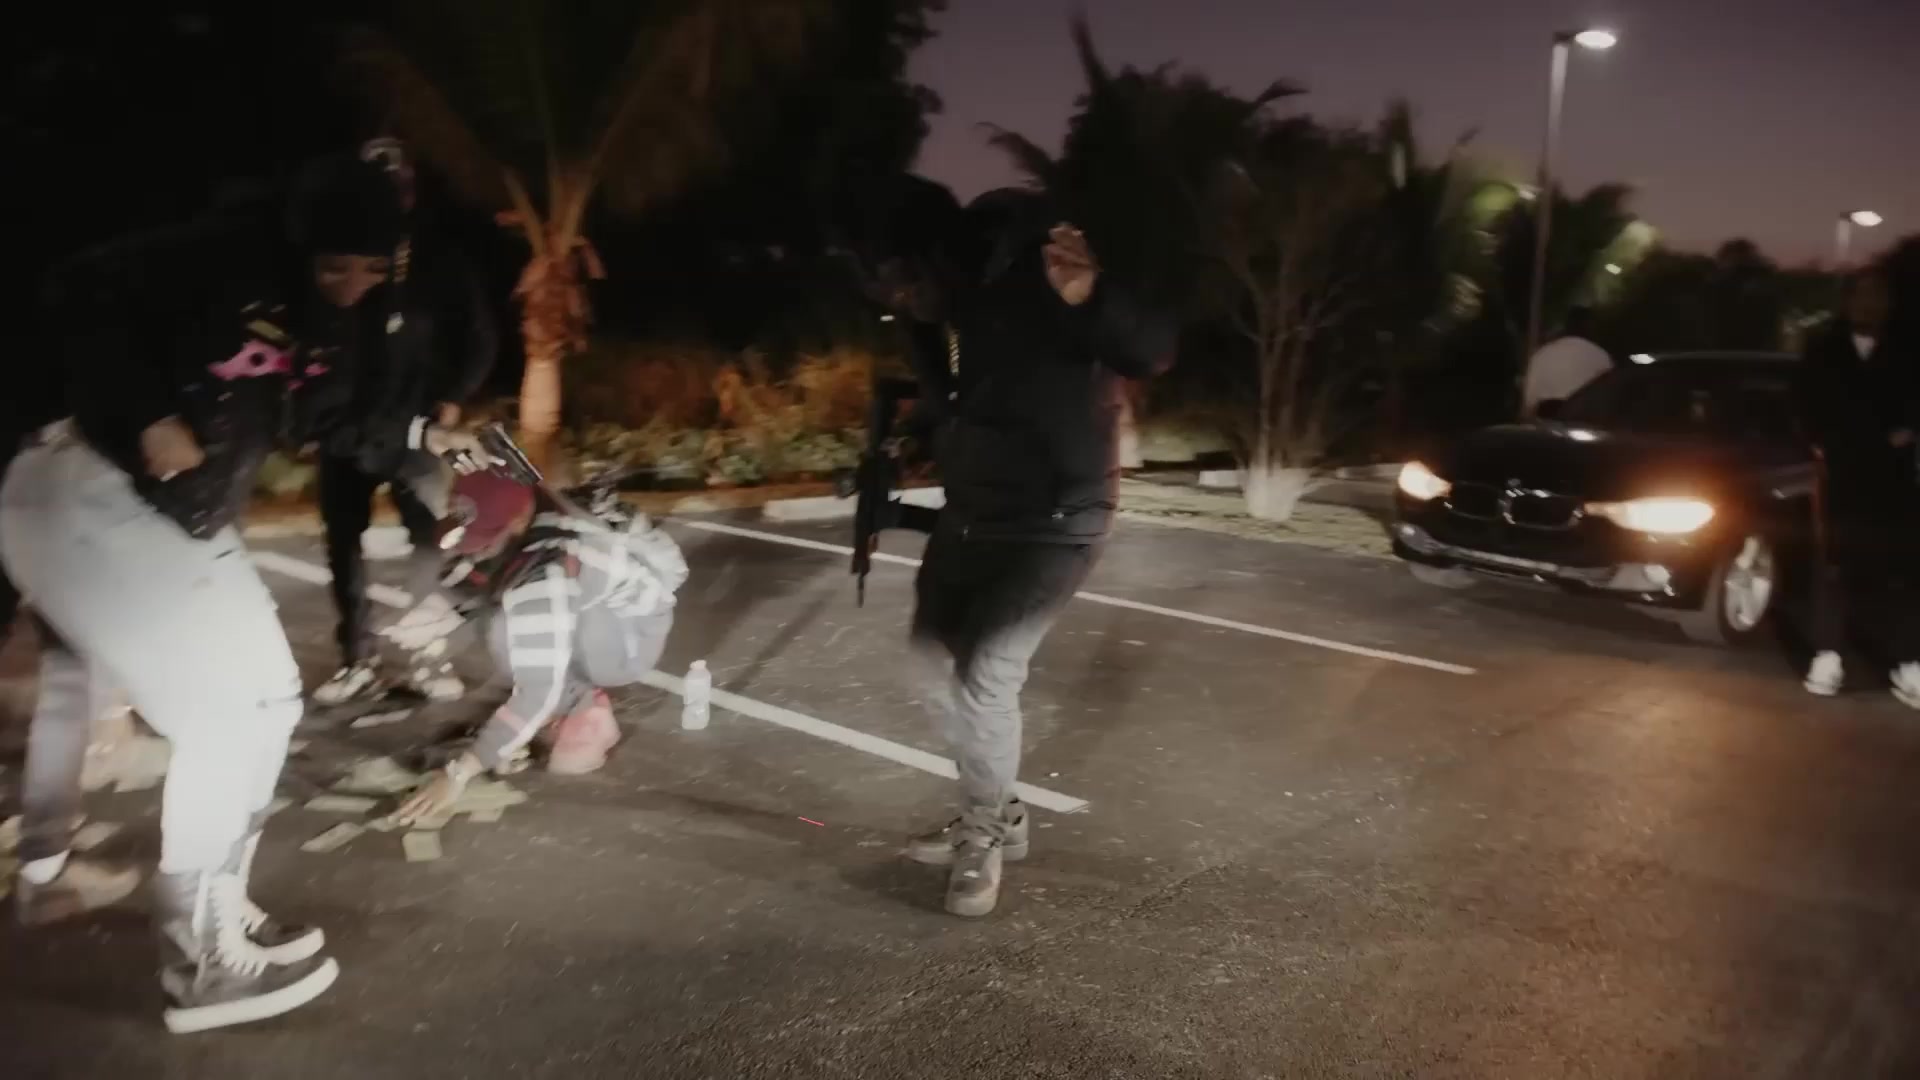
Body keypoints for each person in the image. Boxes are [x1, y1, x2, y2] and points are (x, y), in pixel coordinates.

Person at [0, 155, 490, 1033]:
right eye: (334, 267)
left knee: (269, 701)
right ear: (300, 246)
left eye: (370, 270)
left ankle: (220, 911)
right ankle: (198, 965)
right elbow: (78, 292)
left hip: (174, 516)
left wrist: (429, 435)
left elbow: (337, 421)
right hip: (87, 489)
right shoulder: (222, 256)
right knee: (228, 714)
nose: (351, 286)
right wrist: (149, 413)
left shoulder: (329, 325)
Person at [860, 181, 1175, 917]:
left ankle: (982, 834)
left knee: (986, 676)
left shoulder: (1051, 281)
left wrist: (1091, 292)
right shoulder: (962, 311)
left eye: (909, 278)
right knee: (929, 661)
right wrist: (901, 460)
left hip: (1058, 519)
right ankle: (1000, 809)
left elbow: (1150, 348)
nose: (904, 293)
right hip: (975, 515)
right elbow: (963, 406)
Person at [380, 468, 686, 825]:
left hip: (630, 644)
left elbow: (535, 692)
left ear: (517, 523)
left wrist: (459, 773)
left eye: (485, 541)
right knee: (509, 619)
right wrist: (436, 616)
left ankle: (581, 706)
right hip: (599, 604)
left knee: (507, 634)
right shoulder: (527, 511)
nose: (475, 550)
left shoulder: (545, 576)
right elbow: (472, 575)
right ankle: (558, 701)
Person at [312, 136, 497, 706]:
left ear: (412, 190)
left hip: (417, 430)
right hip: (347, 434)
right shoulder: (331, 259)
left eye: (397, 186)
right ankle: (358, 660)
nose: (389, 197)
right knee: (343, 546)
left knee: (429, 544)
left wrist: (453, 399)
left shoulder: (438, 260)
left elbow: (480, 338)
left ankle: (427, 655)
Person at [1798, 269, 1920, 702]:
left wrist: (1908, 430)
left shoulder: (1907, 348)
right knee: (1834, 566)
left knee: (1900, 571)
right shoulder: (1823, 348)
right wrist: (1823, 442)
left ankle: (1907, 662)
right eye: (1862, 295)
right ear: (1847, 301)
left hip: (1895, 479)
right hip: (1841, 475)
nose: (1870, 304)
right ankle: (1828, 655)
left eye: (1878, 296)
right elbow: (1806, 404)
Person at [1521, 306, 1612, 415]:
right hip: (1586, 420)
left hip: (1543, 421)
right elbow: (1609, 399)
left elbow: (1528, 400)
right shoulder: (1601, 357)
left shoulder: (1541, 354)